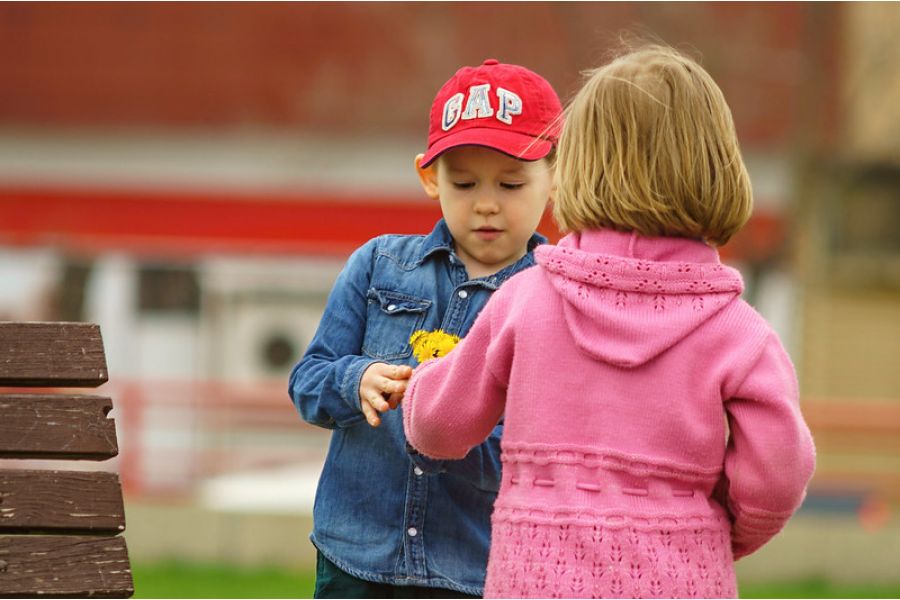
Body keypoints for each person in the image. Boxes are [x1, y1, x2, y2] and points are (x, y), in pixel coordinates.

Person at [402, 44, 816, 599]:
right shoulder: (738, 333)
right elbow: (778, 475)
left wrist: (423, 377)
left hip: (534, 580)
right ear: (718, 165)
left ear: (578, 164)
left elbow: (438, 427)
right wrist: (714, 531)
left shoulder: (525, 301)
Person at [289, 58, 562, 598]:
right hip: (355, 556)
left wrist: (449, 424)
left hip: (471, 567)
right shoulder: (379, 265)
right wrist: (358, 380)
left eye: (511, 183)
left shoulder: (554, 296)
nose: (486, 203)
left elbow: (544, 451)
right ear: (429, 177)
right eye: (464, 183)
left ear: (557, 177)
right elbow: (307, 381)